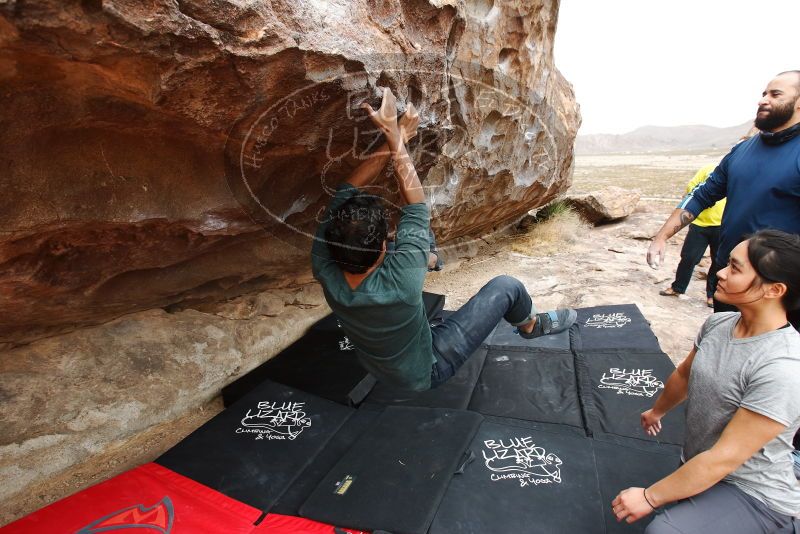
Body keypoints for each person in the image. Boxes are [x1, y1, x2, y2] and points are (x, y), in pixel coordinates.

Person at [311, 88, 576, 391]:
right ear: (383, 247)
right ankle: (530, 325)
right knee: (507, 287)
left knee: (420, 240)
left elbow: (346, 189)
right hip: (429, 367)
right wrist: (396, 136)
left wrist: (394, 141)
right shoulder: (401, 279)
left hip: (379, 365)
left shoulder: (323, 261)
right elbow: (415, 204)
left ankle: (431, 259)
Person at [613, 230, 800, 533]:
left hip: (753, 492)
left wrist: (650, 497)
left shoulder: (784, 367)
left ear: (774, 289)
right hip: (702, 465)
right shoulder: (718, 323)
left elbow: (724, 459)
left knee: (663, 531)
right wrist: (657, 410)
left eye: (735, 268)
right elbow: (685, 373)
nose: (720, 273)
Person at [646, 70, 800, 321]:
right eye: (763, 94)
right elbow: (702, 194)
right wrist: (662, 237)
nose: (763, 100)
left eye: (775, 94)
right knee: (722, 342)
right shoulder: (741, 150)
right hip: (729, 276)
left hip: (778, 288)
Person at [659, 164, 725, 307]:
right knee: (688, 257)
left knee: (719, 262)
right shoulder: (709, 169)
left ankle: (712, 295)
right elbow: (692, 187)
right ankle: (678, 288)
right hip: (700, 223)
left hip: (722, 225)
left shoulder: (737, 172)